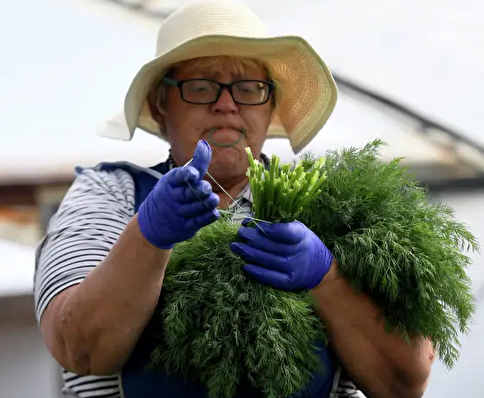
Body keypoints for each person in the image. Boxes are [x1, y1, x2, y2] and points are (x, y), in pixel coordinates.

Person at [33, 1, 435, 397]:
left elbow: (404, 384)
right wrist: (148, 236)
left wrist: (326, 277)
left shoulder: (337, 205)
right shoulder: (110, 194)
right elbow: (79, 349)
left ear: (270, 104)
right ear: (160, 103)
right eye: (201, 86)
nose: (226, 104)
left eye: (248, 88)